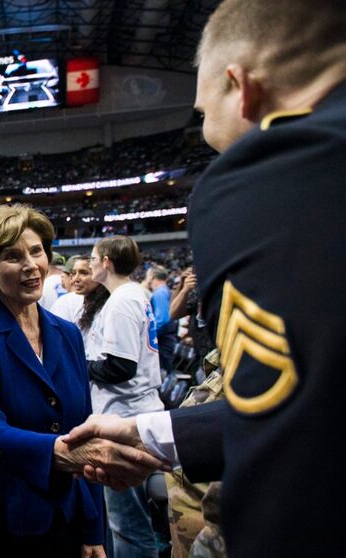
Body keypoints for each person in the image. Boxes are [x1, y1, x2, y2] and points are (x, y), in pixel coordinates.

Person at [66, 1, 346, 555]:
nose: (207, 131)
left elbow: (291, 439)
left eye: (202, 110)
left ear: (241, 87)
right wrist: (158, 434)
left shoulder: (277, 171)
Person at [0, 205, 166, 558]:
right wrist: (60, 453)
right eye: (12, 256)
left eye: (36, 251)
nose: (30, 265)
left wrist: (92, 529)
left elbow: (83, 428)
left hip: (56, 508)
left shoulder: (68, 333)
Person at [86, 236, 164, 558]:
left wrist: (82, 366)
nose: (89, 264)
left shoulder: (122, 299)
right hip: (136, 411)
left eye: (92, 258)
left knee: (128, 526)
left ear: (106, 262)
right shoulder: (131, 294)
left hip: (126, 416)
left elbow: (120, 367)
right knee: (130, 523)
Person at [145, 266, 176, 373]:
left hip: (163, 341)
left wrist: (148, 337)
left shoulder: (159, 293)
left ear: (152, 277)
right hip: (166, 339)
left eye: (147, 276)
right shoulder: (164, 291)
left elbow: (162, 320)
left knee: (162, 374)